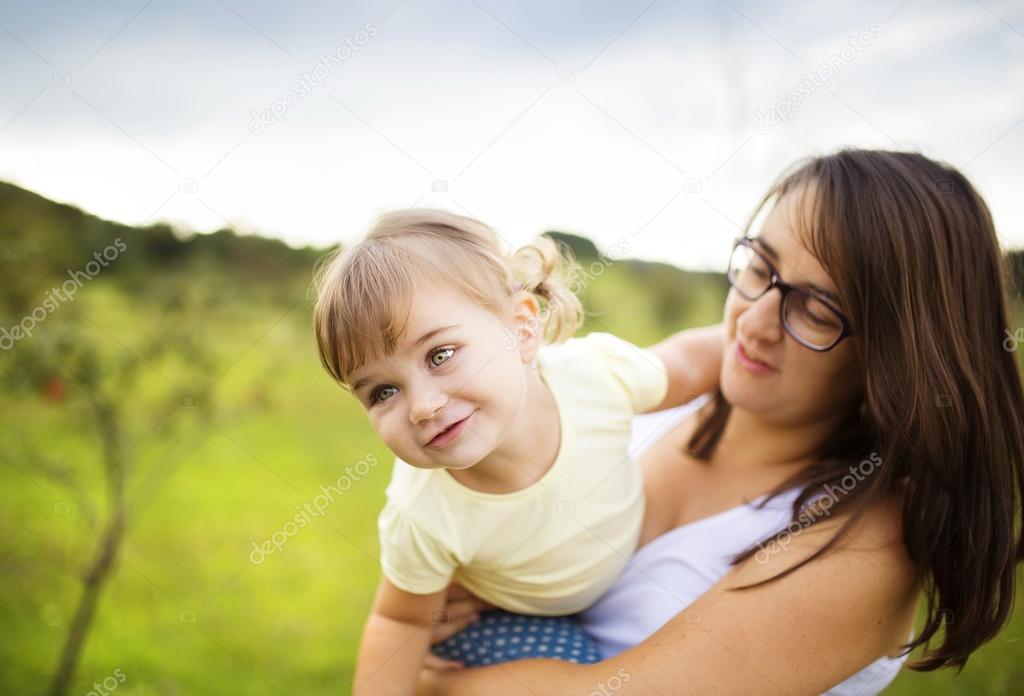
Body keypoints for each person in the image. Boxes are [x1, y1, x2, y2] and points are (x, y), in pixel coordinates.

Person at [421, 150, 1024, 694]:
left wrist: (431, 682)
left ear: (899, 352)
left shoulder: (866, 546)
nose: (754, 322)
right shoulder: (696, 377)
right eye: (760, 267)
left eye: (817, 308)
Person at [312, 209, 722, 694]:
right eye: (382, 392)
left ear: (522, 329)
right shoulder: (424, 511)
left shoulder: (596, 377)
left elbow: (692, 362)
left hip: (612, 577)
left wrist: (770, 339)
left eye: (440, 355)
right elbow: (400, 624)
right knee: (586, 675)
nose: (422, 406)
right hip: (504, 620)